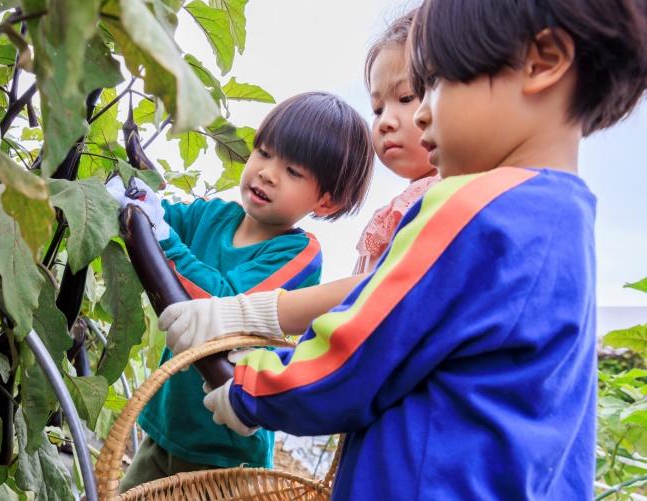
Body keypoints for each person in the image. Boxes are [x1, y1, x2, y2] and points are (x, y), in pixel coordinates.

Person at [158, 0, 647, 498]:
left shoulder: (470, 208)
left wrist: (252, 389)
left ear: (542, 63)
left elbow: (361, 348)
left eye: (436, 83)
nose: (424, 112)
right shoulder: (568, 220)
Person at [106, 91, 374, 491]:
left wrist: (157, 230)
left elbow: (223, 302)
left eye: (292, 171)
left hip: (226, 458)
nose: (267, 173)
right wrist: (134, 195)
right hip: (164, 431)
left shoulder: (297, 254)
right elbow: (155, 216)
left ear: (327, 201)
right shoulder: (212, 216)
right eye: (263, 153)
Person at [355, 7, 440, 275]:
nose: (385, 122)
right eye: (377, 109)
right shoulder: (404, 202)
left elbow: (386, 282)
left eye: (405, 98)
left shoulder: (441, 195)